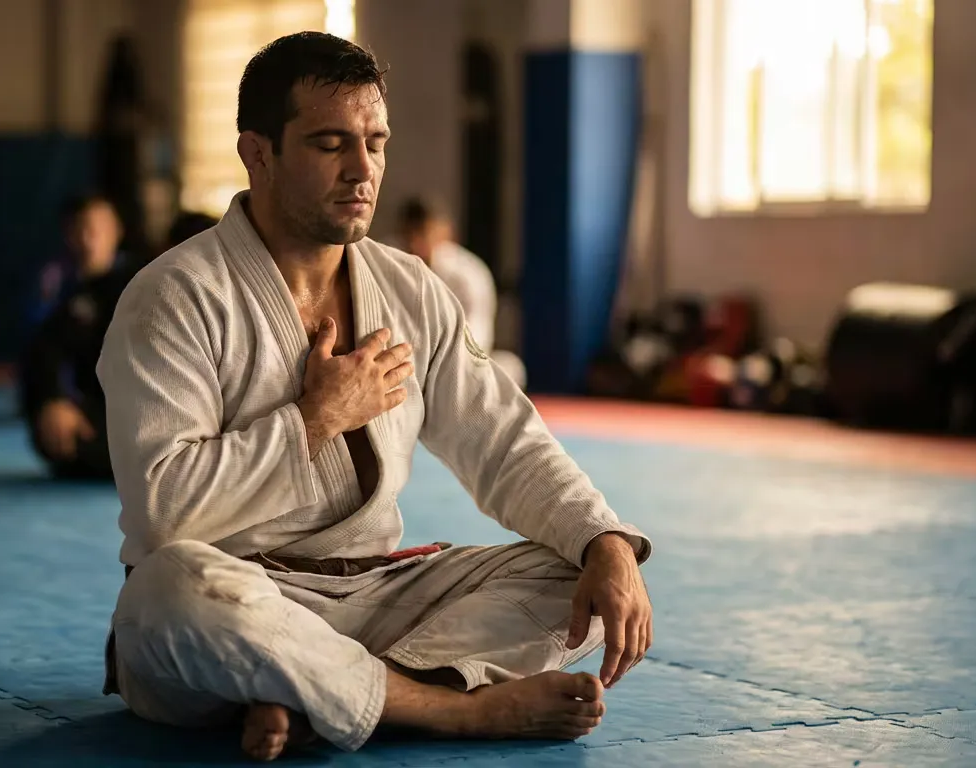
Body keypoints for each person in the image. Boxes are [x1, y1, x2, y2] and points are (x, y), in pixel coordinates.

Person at [98, 32, 653, 762]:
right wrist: (314, 420)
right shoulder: (174, 298)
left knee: (568, 574)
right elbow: (163, 511)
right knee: (167, 592)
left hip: (380, 601)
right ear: (258, 154)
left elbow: (504, 441)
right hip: (238, 601)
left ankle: (316, 693)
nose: (363, 169)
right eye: (330, 144)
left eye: (376, 142)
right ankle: (451, 712)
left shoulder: (411, 290)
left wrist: (604, 540)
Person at [19, 194, 133, 480]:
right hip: (101, 410)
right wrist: (53, 400)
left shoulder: (144, 282)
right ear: (67, 235)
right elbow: (43, 353)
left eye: (96, 229)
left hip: (155, 409)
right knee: (58, 435)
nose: (88, 239)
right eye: (80, 229)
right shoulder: (60, 291)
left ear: (116, 231)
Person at [396, 196, 526, 389]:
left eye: (424, 233)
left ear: (445, 232)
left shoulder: (468, 275)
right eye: (410, 234)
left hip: (459, 364)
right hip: (407, 361)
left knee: (511, 367)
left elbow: (477, 337)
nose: (416, 243)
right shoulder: (392, 264)